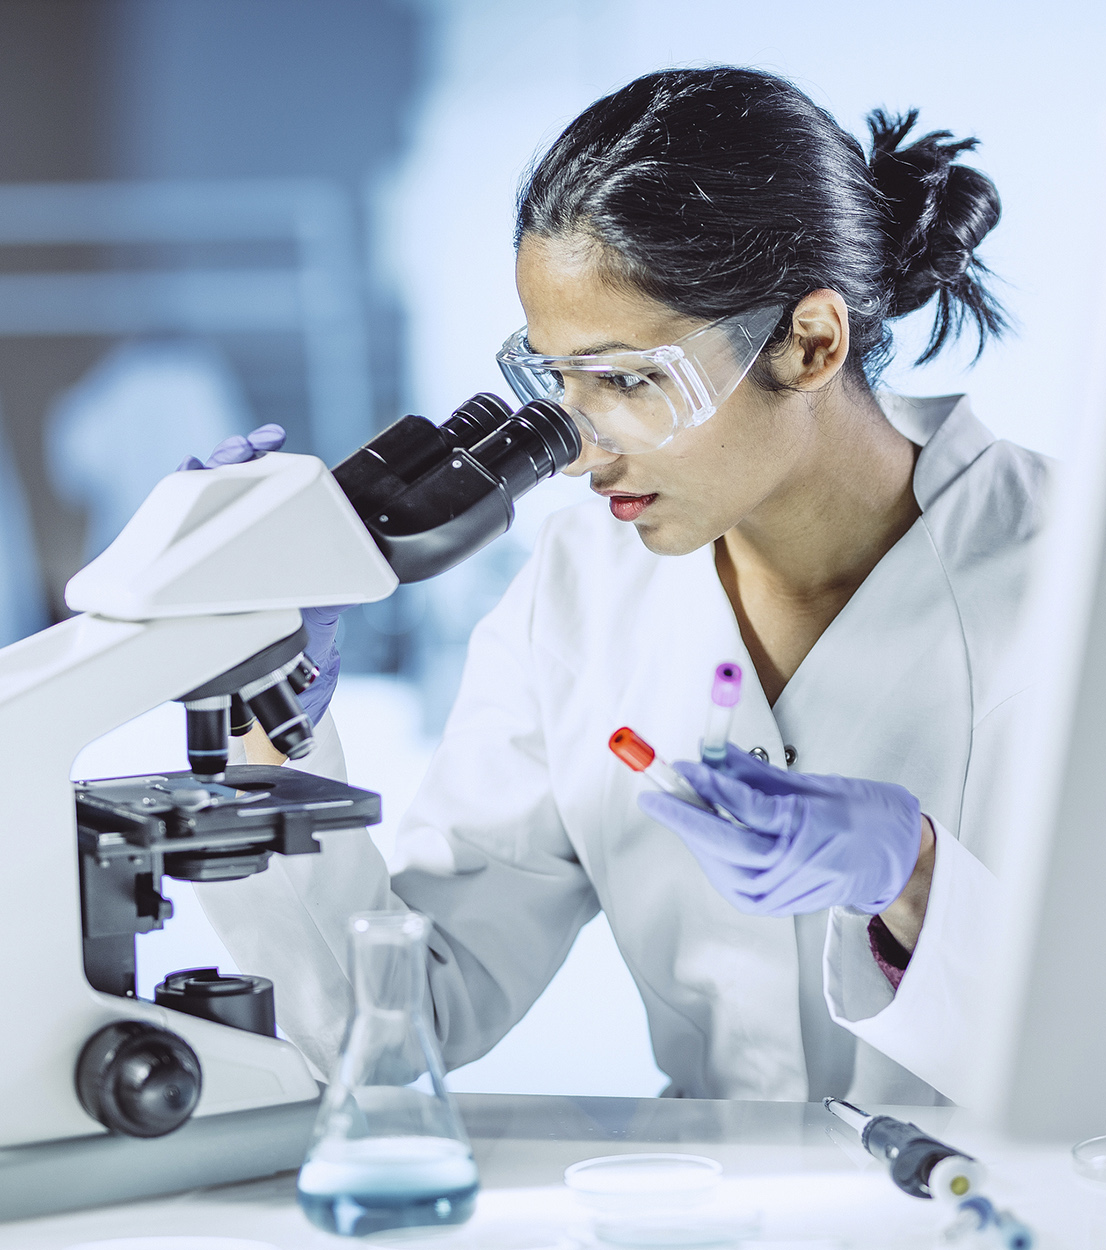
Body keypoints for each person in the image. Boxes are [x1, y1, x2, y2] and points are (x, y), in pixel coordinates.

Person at [197, 66, 1047, 1106]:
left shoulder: (1076, 574)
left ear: (811, 341)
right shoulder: (577, 592)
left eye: (631, 380)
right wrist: (266, 724)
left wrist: (916, 880)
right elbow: (395, 1016)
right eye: (556, 381)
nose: (576, 453)